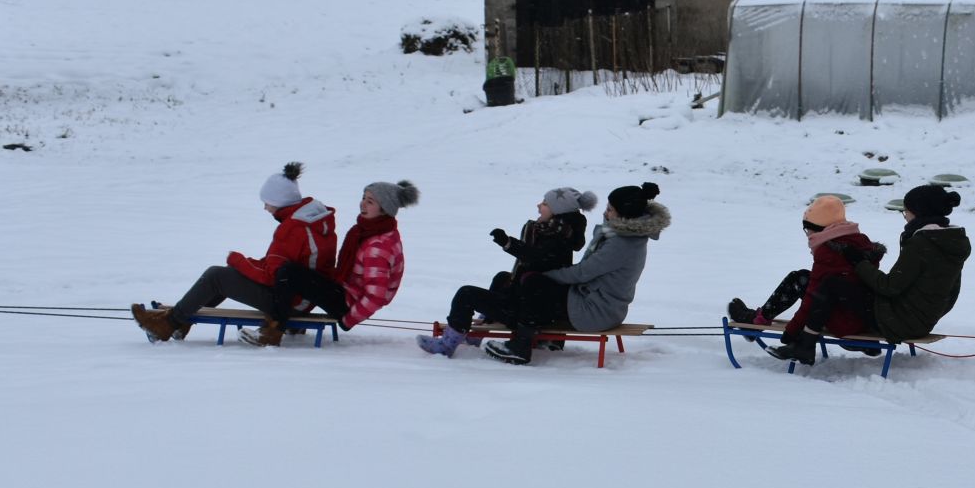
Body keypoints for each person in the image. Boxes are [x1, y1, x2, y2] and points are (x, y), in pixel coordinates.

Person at [131, 162, 338, 343]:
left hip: (288, 303)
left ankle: (167, 324)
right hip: (304, 298)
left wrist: (238, 261)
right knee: (228, 275)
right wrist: (244, 265)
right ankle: (182, 321)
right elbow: (282, 267)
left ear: (279, 201)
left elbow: (273, 277)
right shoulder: (313, 222)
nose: (265, 208)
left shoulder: (291, 230)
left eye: (267, 203)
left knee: (216, 276)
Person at [483, 182, 670, 365]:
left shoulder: (621, 243)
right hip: (600, 302)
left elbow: (583, 272)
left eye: (610, 210)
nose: (605, 213)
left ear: (624, 215)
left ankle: (519, 347)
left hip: (596, 311)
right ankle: (548, 341)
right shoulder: (622, 235)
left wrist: (544, 276)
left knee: (535, 284)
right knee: (539, 285)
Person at [417, 186, 596, 357]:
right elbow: (536, 257)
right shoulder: (562, 233)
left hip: (529, 310)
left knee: (466, 294)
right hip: (536, 304)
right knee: (503, 277)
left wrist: (507, 243)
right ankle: (478, 332)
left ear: (557, 210)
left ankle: (446, 345)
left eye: (545, 203)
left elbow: (535, 256)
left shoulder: (556, 237)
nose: (538, 206)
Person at [244, 180, 420, 346]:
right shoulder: (368, 231)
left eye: (370, 202)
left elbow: (376, 296)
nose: (363, 204)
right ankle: (291, 324)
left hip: (347, 303)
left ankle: (272, 333)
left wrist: (348, 319)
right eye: (363, 198)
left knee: (289, 273)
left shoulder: (378, 246)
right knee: (298, 271)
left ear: (385, 210)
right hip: (344, 290)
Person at [726, 194, 883, 365]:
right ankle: (864, 344)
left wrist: (792, 332)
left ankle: (757, 320)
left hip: (844, 321)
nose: (807, 235)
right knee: (808, 279)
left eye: (808, 229)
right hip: (862, 316)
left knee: (799, 279)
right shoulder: (859, 241)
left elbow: (813, 297)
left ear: (819, 228)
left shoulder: (829, 251)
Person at [852, 183, 971, 342]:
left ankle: (831, 336)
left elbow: (890, 286)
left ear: (919, 212)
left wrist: (860, 263)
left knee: (838, 285)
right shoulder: (950, 241)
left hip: (900, 322)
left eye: (906, 211)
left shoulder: (922, 244)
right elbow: (951, 293)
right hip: (923, 321)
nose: (905, 216)